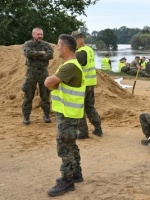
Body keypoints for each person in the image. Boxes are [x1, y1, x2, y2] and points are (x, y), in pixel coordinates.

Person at [45, 34, 85, 197]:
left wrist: (51, 82)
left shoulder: (70, 66)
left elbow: (48, 83)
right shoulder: (71, 65)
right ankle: (76, 174)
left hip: (68, 114)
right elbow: (54, 83)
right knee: (71, 144)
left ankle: (67, 181)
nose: (57, 48)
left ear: (65, 48)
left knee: (64, 146)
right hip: (70, 113)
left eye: (58, 46)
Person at [71, 31, 103, 139]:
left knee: (79, 108)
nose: (73, 44)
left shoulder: (80, 53)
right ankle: (98, 128)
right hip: (90, 83)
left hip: (82, 84)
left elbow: (74, 66)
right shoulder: (89, 49)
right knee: (90, 107)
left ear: (80, 39)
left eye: (74, 41)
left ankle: (83, 132)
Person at [22, 27, 54, 125]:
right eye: (38, 34)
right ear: (33, 35)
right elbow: (27, 53)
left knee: (45, 95)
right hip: (31, 72)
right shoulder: (28, 44)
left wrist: (35, 56)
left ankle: (46, 115)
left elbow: (50, 55)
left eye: (41, 34)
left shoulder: (46, 44)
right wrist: (41, 53)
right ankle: (26, 116)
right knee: (28, 95)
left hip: (43, 72)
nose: (40, 36)